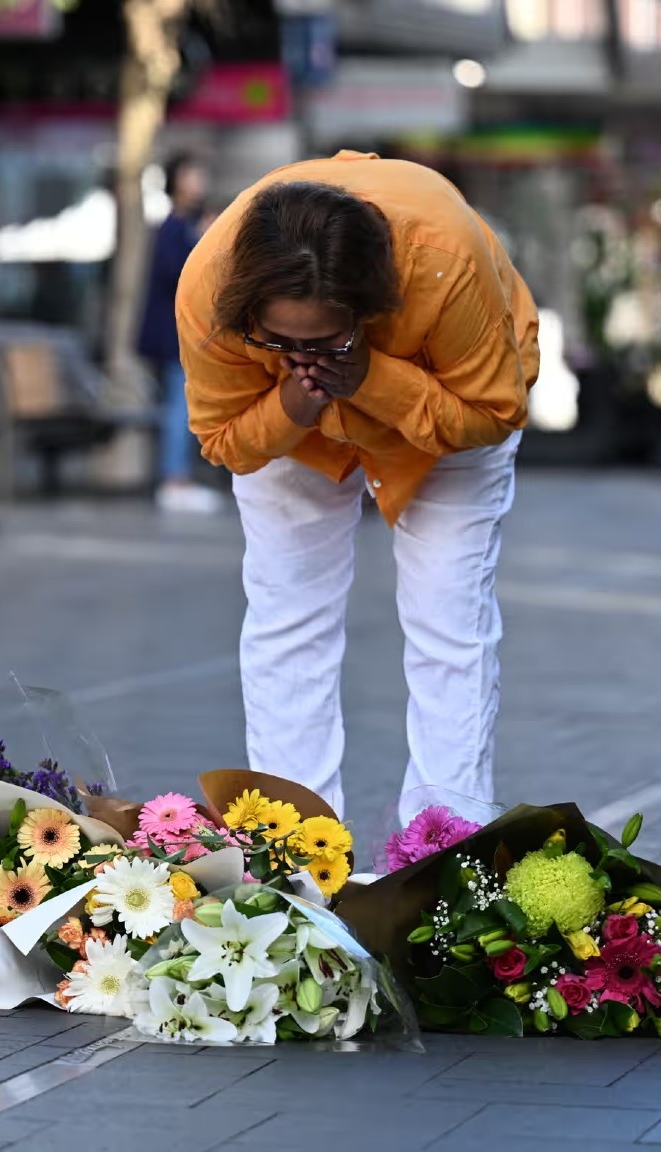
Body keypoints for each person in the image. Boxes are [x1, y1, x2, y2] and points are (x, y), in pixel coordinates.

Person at [177, 153, 539, 820]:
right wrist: (295, 401)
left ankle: (447, 855)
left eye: (326, 340)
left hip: (447, 403)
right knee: (288, 620)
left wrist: (370, 378)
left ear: (369, 311)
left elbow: (493, 411)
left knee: (448, 620)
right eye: (278, 340)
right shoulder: (208, 291)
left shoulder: (444, 261)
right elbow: (224, 441)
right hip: (288, 427)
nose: (304, 355)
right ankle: (295, 861)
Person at [139, 153, 220, 514]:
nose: (199, 181)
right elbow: (177, 274)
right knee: (179, 406)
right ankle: (175, 479)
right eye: (191, 174)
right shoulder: (172, 227)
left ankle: (179, 476)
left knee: (182, 404)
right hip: (175, 336)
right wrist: (202, 241)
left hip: (186, 335)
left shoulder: (185, 224)